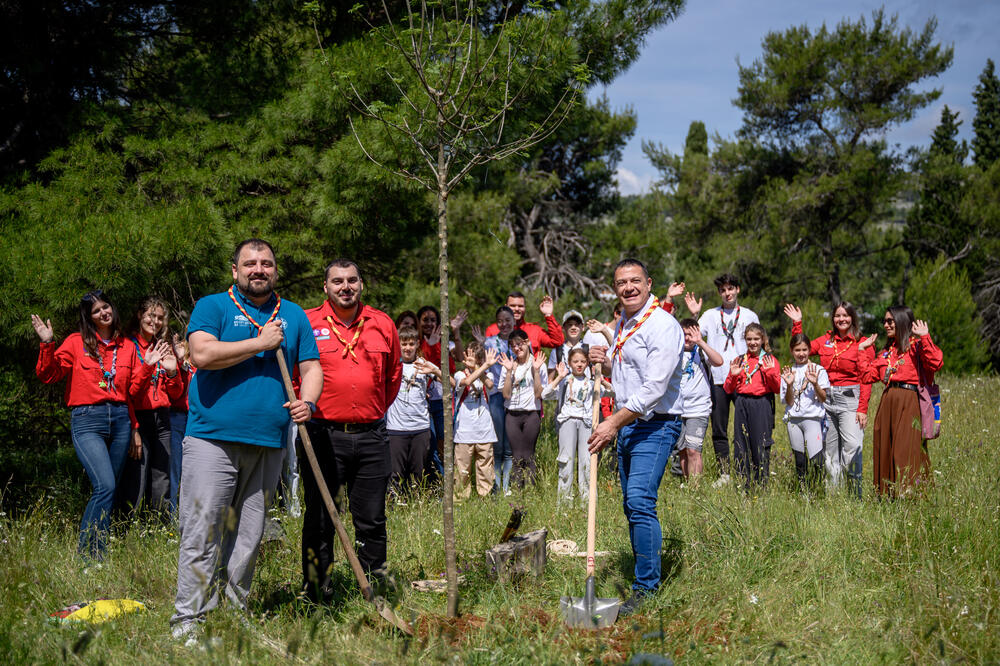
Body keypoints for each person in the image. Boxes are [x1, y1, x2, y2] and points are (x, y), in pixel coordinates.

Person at [170, 239, 322, 639]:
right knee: (203, 529)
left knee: (249, 534)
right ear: (234, 270)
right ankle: (189, 620)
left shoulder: (292, 315)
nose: (259, 269)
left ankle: (234, 611)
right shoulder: (213, 306)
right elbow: (201, 354)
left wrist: (308, 401)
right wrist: (260, 343)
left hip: (269, 441)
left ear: (276, 271)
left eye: (267, 263)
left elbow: (310, 367)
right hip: (212, 439)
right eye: (250, 263)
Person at [32, 291, 172, 560]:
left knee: (112, 487)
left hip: (120, 418)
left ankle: (100, 549)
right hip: (88, 420)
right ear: (89, 317)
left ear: (112, 308)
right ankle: (89, 554)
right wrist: (47, 344)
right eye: (96, 311)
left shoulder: (126, 347)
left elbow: (131, 391)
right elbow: (49, 375)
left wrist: (147, 367)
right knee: (105, 485)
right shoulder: (75, 342)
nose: (103, 313)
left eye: (105, 307)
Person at [300, 259, 402, 603]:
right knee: (320, 519)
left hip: (372, 436)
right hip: (322, 435)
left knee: (372, 519)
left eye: (352, 280)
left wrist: (368, 412)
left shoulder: (382, 323)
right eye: (338, 281)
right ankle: (317, 593)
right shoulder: (308, 322)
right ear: (325, 287)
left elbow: (392, 377)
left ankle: (374, 591)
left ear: (362, 284)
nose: (346, 287)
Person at [587, 258, 685, 616]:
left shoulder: (663, 325)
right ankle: (644, 576)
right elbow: (631, 373)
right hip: (629, 422)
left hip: (656, 424)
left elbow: (654, 388)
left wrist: (612, 423)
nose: (628, 288)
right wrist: (607, 360)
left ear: (649, 283)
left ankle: (647, 589)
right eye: (621, 283)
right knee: (631, 505)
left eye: (634, 281)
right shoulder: (627, 322)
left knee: (641, 501)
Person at [783, 302, 873, 496]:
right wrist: (797, 324)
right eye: (837, 316)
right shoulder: (826, 340)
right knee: (830, 452)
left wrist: (862, 408)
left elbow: (867, 379)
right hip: (826, 399)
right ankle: (834, 496)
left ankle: (855, 494)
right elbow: (800, 347)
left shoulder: (862, 342)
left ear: (853, 318)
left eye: (846, 316)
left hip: (850, 399)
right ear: (833, 319)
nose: (842, 319)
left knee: (852, 448)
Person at [857, 307, 943, 497]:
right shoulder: (887, 352)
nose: (886, 324)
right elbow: (867, 375)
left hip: (909, 400)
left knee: (908, 448)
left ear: (902, 321)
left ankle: (912, 494)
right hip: (888, 401)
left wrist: (925, 337)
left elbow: (936, 362)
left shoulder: (916, 346)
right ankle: (887, 495)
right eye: (885, 321)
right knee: (884, 447)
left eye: (890, 321)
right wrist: (862, 351)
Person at [691, 274, 760, 486]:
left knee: (744, 427)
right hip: (719, 379)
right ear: (719, 293)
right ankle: (724, 472)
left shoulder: (749, 315)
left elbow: (759, 343)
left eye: (730, 289)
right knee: (719, 428)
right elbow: (694, 335)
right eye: (723, 290)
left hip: (743, 379)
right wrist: (694, 315)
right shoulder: (710, 315)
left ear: (737, 289)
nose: (727, 293)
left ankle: (745, 469)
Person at [118, 297, 183, 516]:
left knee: (162, 474)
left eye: (159, 317)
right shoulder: (127, 346)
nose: (154, 321)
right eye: (150, 315)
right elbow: (130, 393)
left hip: (162, 418)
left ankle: (159, 526)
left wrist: (173, 372)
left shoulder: (162, 346)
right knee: (137, 473)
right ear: (139, 315)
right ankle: (127, 526)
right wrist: (147, 367)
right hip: (138, 416)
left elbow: (176, 394)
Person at [541, 348, 612, 502]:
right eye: (575, 361)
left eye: (582, 361)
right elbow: (545, 394)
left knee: (587, 461)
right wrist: (559, 377)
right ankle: (564, 502)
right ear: (569, 363)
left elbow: (612, 392)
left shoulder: (592, 383)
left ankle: (587, 502)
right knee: (566, 460)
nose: (579, 365)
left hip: (587, 422)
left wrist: (601, 379)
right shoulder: (565, 382)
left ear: (587, 363)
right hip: (568, 421)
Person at [722, 323, 781, 490]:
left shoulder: (769, 360)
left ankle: (761, 484)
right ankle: (743, 484)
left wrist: (769, 372)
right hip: (742, 403)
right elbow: (727, 389)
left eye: (756, 339)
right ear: (745, 340)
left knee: (760, 444)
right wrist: (733, 376)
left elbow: (777, 389)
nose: (753, 342)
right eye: (749, 339)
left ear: (763, 340)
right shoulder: (740, 360)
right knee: (741, 444)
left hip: (761, 403)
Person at [385, 326, 439, 496]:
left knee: (418, 473)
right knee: (395, 473)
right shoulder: (392, 365)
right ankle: (394, 508)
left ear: (417, 344)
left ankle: (416, 508)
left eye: (411, 344)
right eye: (403, 344)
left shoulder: (424, 364)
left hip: (420, 428)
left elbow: (451, 383)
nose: (407, 348)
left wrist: (435, 371)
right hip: (396, 428)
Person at [416, 304, 465, 478]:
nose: (429, 323)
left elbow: (460, 357)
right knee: (430, 443)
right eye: (425, 320)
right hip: (424, 400)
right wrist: (429, 345)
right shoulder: (416, 343)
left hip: (443, 400)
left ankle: (447, 482)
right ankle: (433, 480)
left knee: (444, 444)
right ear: (419, 322)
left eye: (433, 320)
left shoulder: (446, 343)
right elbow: (422, 366)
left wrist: (456, 332)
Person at [674, 319, 724, 483]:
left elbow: (719, 361)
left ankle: (695, 488)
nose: (687, 338)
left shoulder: (701, 353)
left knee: (693, 451)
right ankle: (687, 484)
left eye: (691, 334)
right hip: (678, 409)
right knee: (682, 451)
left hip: (698, 409)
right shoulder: (674, 352)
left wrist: (700, 342)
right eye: (684, 334)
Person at [498, 329, 548, 488]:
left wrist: (537, 371)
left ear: (527, 343)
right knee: (517, 455)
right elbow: (506, 395)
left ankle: (531, 491)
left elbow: (539, 393)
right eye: (512, 346)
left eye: (519, 344)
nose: (516, 348)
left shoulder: (537, 363)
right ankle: (516, 493)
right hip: (512, 414)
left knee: (528, 455)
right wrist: (508, 372)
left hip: (531, 413)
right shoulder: (509, 365)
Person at [780, 334, 830, 492]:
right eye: (797, 350)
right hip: (794, 420)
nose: (801, 353)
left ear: (809, 350)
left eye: (804, 350)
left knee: (817, 460)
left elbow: (823, 398)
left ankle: (817, 491)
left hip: (812, 420)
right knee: (800, 460)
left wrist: (815, 384)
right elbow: (789, 401)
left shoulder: (818, 370)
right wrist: (789, 385)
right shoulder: (789, 372)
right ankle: (803, 492)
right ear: (791, 351)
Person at [452, 341, 499, 499]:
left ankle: (485, 498)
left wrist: (481, 368)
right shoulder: (459, 374)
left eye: (478, 358)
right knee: (462, 469)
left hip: (484, 430)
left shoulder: (488, 374)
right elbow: (466, 382)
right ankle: (459, 500)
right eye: (470, 356)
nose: (474, 361)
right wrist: (480, 367)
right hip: (464, 431)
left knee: (485, 468)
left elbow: (490, 384)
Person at [481, 306, 516, 493]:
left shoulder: (520, 342)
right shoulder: (489, 343)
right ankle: (495, 484)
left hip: (515, 399)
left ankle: (506, 486)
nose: (504, 324)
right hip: (496, 397)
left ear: (514, 321)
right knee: (497, 444)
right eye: (500, 321)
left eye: (507, 320)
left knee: (510, 446)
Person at [167, 332, 193, 515]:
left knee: (194, 469)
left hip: (198, 419)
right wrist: (181, 359)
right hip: (178, 416)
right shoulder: (178, 357)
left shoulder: (207, 356)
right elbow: (175, 392)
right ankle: (171, 514)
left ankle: (192, 512)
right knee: (174, 468)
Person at [483, 291, 564, 350]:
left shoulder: (535, 330)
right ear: (506, 307)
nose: (517, 309)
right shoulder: (492, 330)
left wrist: (548, 315)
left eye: (520, 306)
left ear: (525, 308)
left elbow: (557, 341)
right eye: (513, 306)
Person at [547, 310, 589, 381]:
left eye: (577, 324)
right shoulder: (557, 351)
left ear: (583, 327)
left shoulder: (589, 349)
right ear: (563, 328)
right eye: (570, 325)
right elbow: (550, 380)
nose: (573, 327)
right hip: (563, 391)